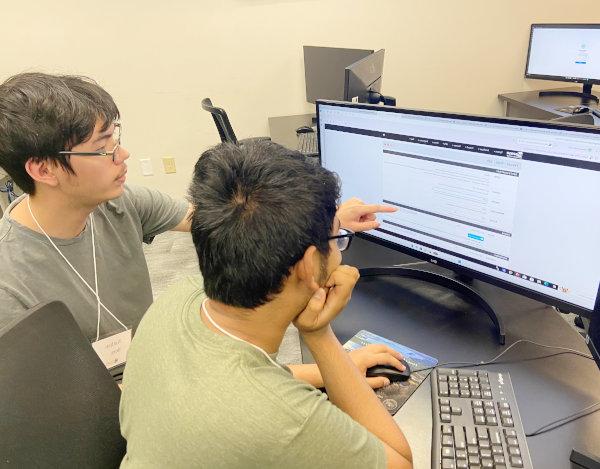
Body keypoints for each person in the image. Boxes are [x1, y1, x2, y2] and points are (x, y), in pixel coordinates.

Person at [0, 71, 396, 378]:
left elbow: (232, 221)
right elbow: (54, 406)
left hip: (154, 366)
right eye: (101, 148)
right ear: (44, 169)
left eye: (114, 137)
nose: (122, 153)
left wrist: (324, 222)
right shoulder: (10, 281)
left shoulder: (120, 204)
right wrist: (331, 370)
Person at [120, 141, 413, 468]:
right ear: (309, 263)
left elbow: (236, 383)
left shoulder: (175, 301)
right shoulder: (288, 421)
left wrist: (329, 372)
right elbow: (400, 462)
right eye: (337, 238)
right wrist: (320, 337)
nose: (340, 250)